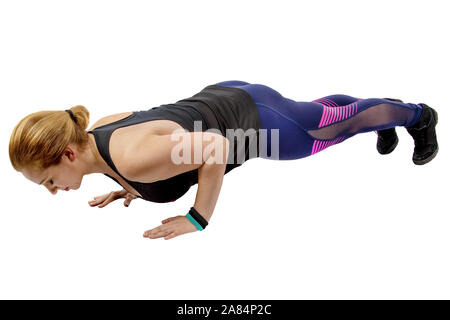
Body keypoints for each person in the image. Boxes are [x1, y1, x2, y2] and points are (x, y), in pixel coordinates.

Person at [9, 80, 439, 240]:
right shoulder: (98, 133)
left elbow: (213, 148)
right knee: (317, 114)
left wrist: (198, 217)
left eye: (48, 180)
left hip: (253, 124)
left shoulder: (135, 159)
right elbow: (165, 138)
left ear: (66, 153)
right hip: (225, 94)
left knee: (331, 130)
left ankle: (416, 115)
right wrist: (131, 188)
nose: (53, 190)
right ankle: (380, 112)